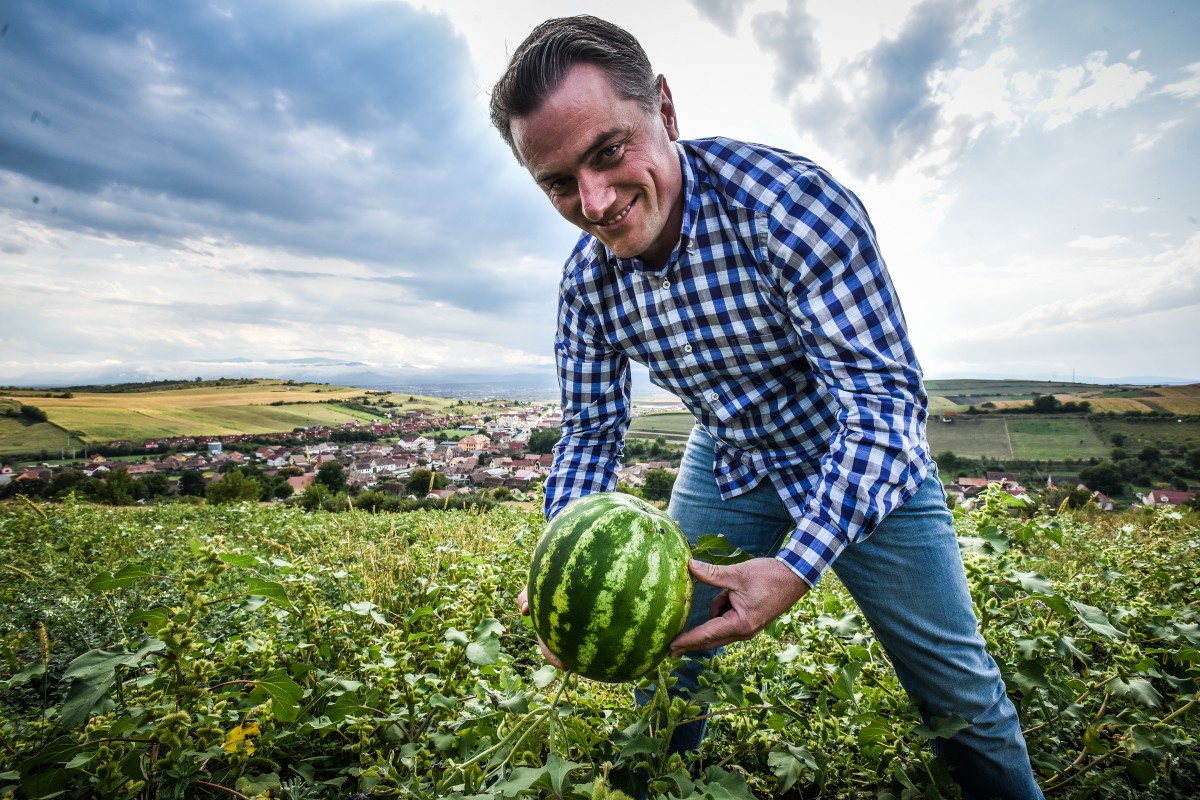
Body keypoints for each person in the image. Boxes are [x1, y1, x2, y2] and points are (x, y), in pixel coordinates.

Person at [492, 15, 1044, 800]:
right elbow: (590, 429)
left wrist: (796, 566)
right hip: (733, 453)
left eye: (609, 152)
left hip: (861, 455)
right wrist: (559, 564)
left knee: (958, 694)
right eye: (557, 182)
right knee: (668, 661)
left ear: (667, 111)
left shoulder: (791, 207)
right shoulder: (588, 285)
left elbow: (885, 406)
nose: (595, 201)